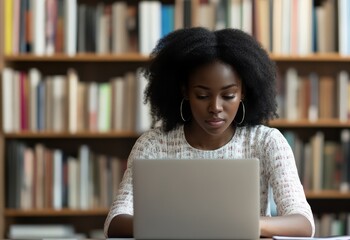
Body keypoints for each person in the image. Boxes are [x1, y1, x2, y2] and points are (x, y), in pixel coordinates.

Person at [104, 27, 314, 238]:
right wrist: (186, 224)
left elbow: (303, 223)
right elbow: (115, 222)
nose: (215, 107)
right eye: (202, 95)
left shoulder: (266, 141)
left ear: (243, 92)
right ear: (185, 91)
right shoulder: (154, 144)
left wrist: (248, 224)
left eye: (228, 95)